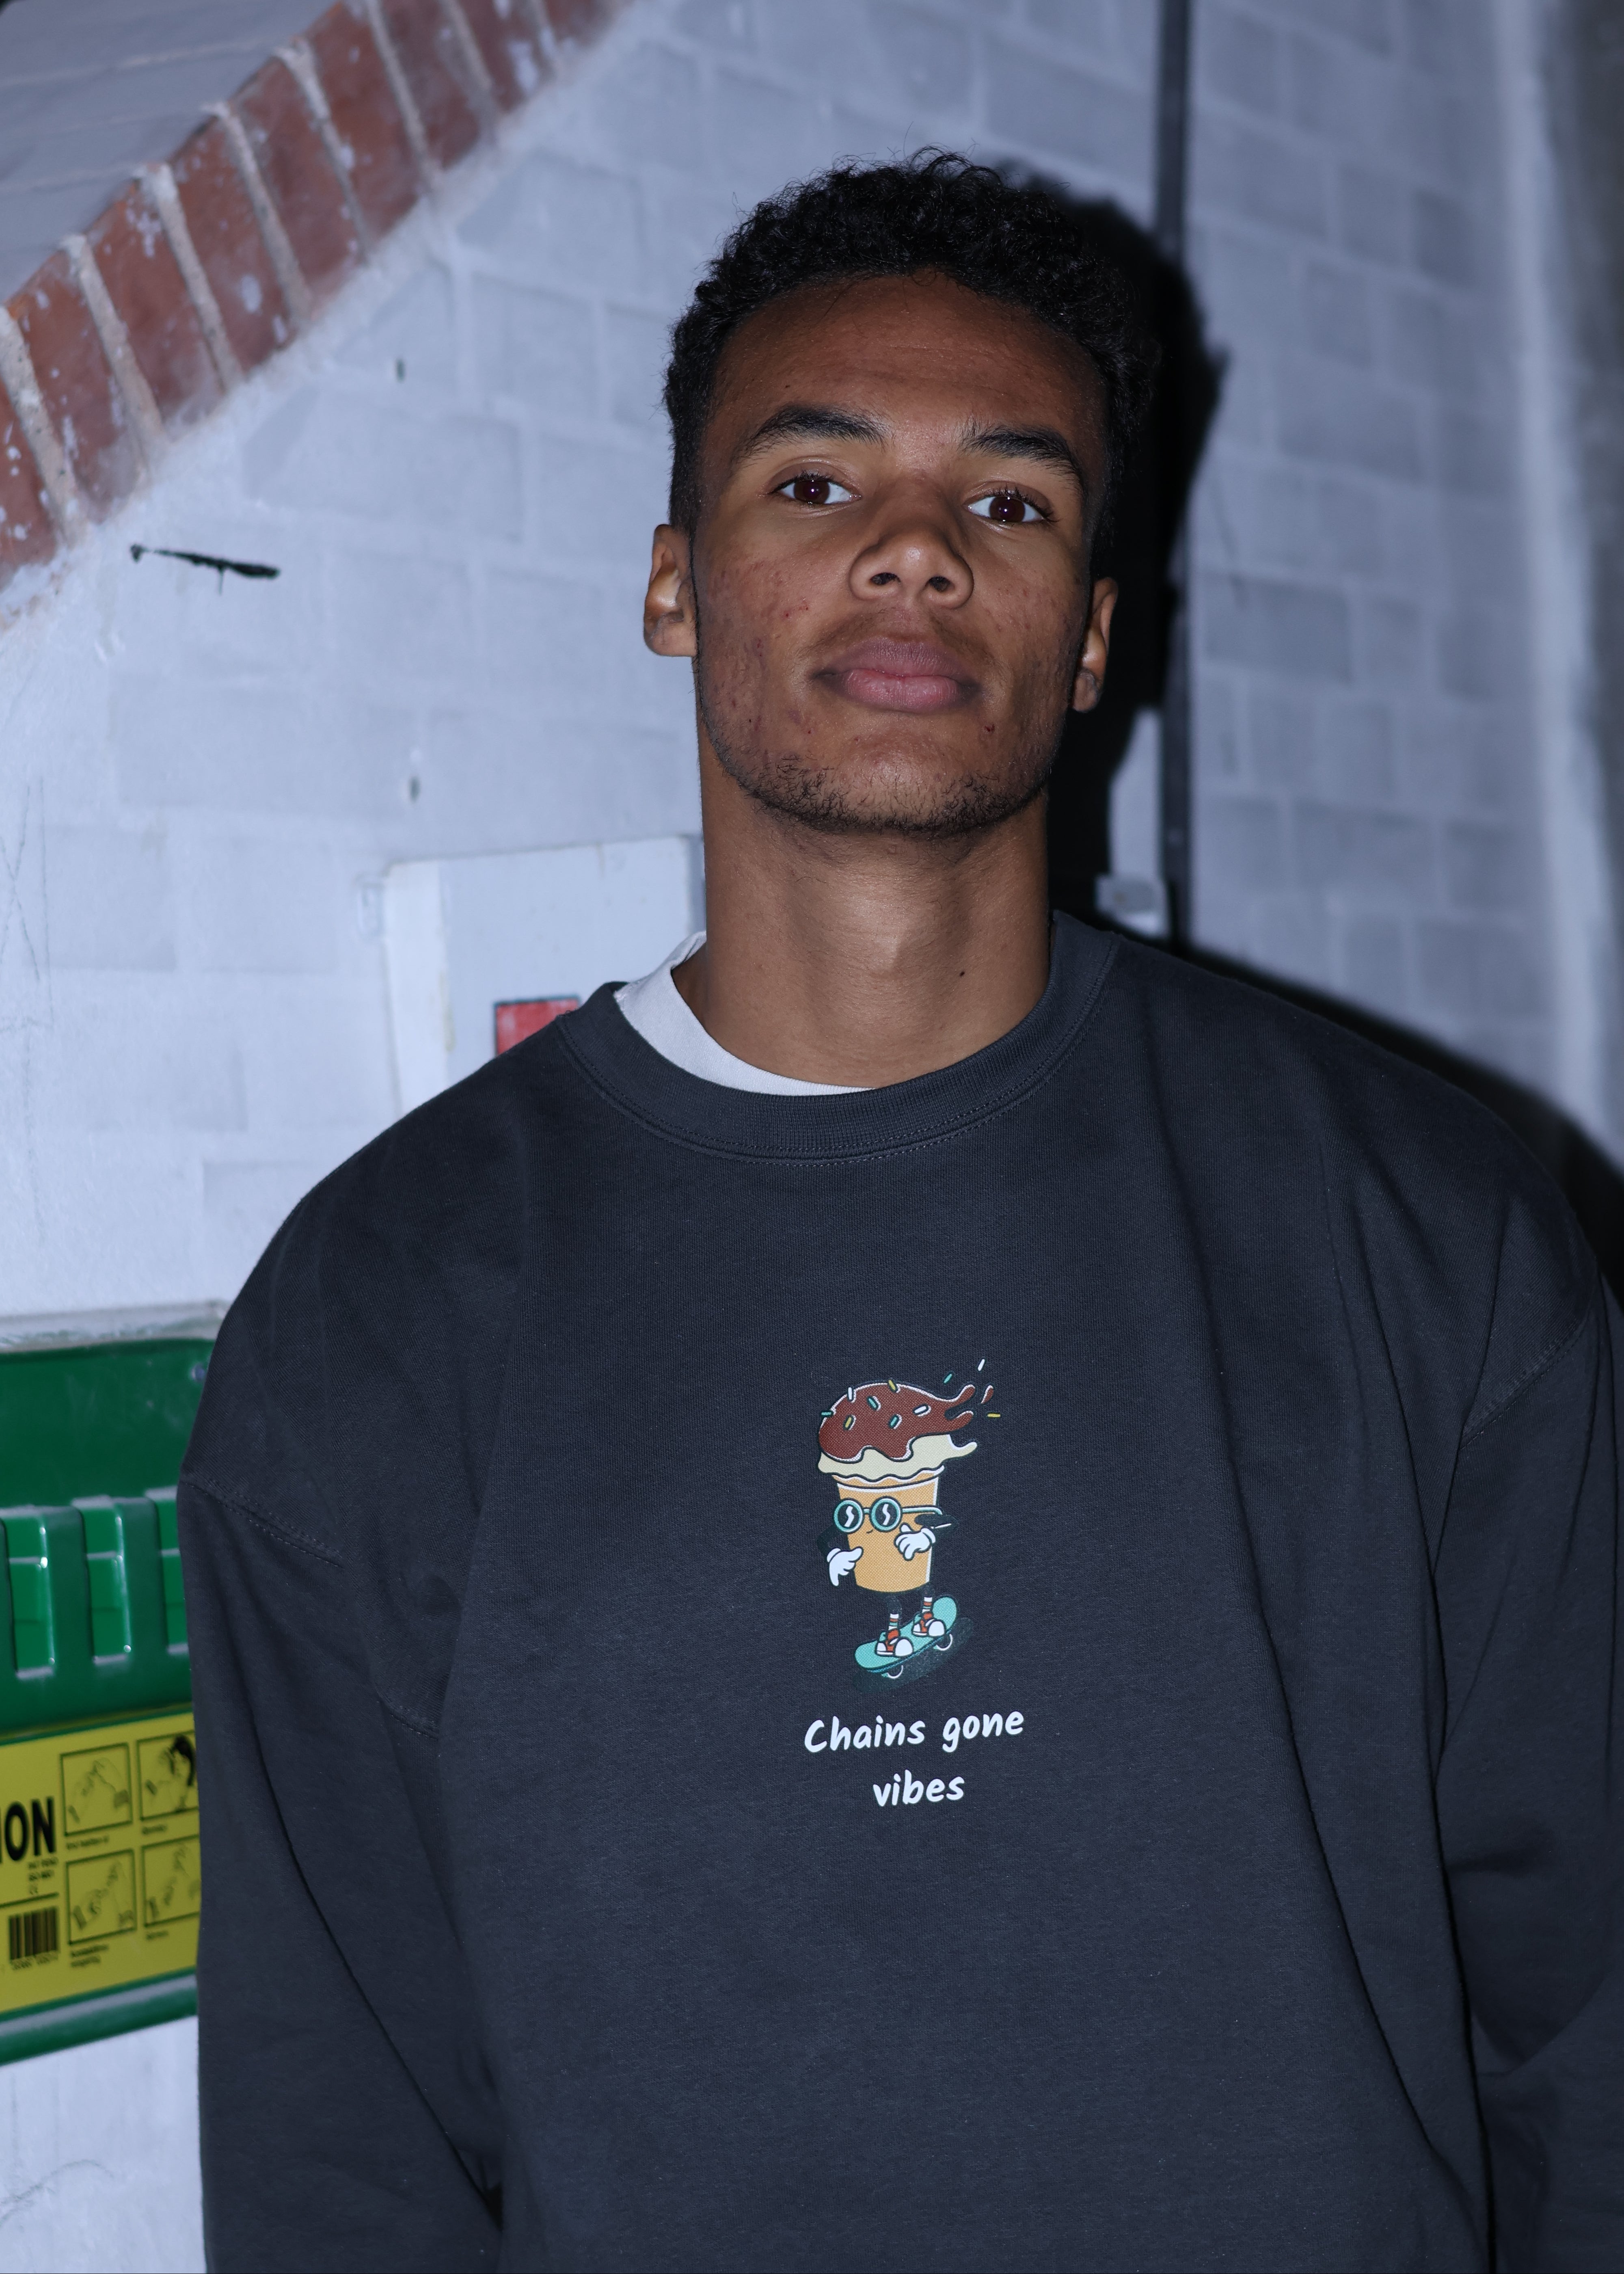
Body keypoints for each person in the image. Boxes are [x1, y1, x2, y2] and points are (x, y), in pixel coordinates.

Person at [181, 153, 1622, 2273]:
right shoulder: (380, 1310)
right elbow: (338, 2145)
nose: (920, 549)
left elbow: (1592, 2013)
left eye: (1012, 503)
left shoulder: (1427, 1231)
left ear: (1094, 633)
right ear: (676, 584)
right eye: (816, 483)